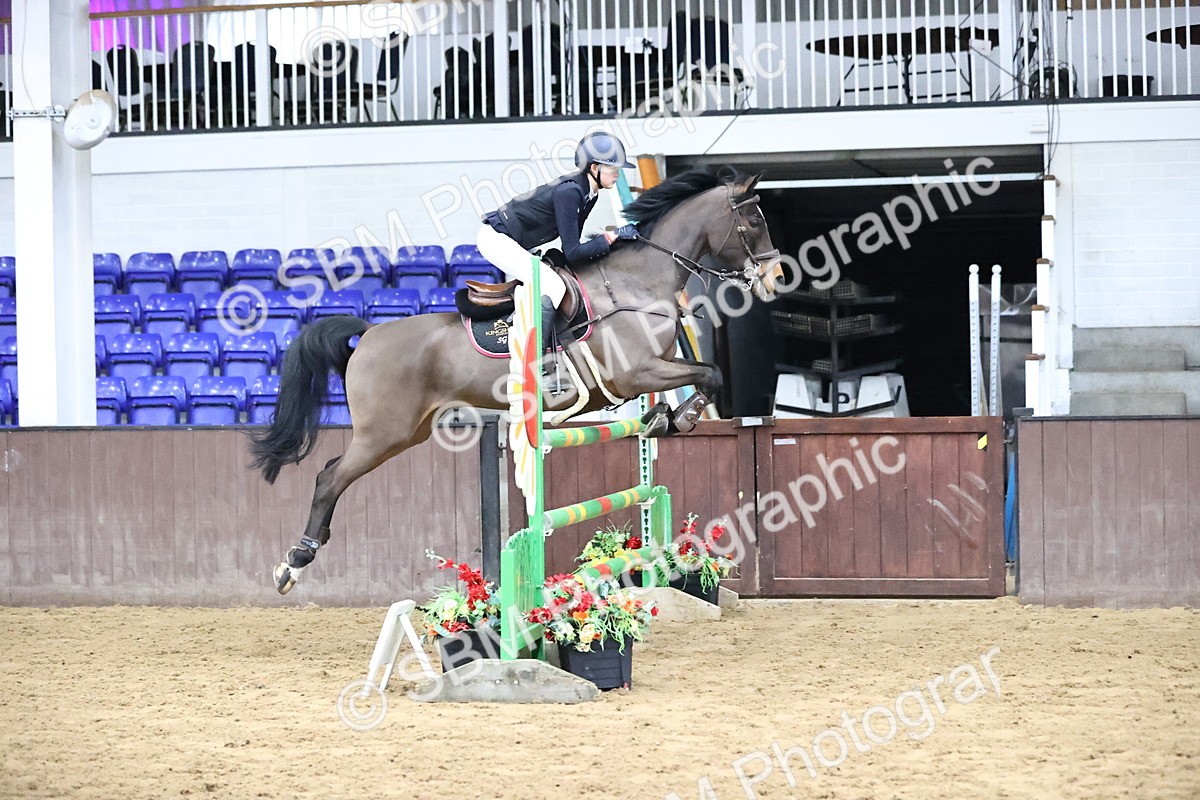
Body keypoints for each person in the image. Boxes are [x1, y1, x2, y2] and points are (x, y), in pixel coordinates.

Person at [477, 131, 639, 357]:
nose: (617, 174)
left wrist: (612, 239)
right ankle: (537, 359)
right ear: (594, 168)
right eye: (613, 169)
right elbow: (573, 252)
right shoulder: (570, 192)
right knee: (553, 286)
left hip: (516, 241)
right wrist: (610, 238)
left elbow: (571, 250)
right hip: (496, 239)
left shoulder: (589, 194)